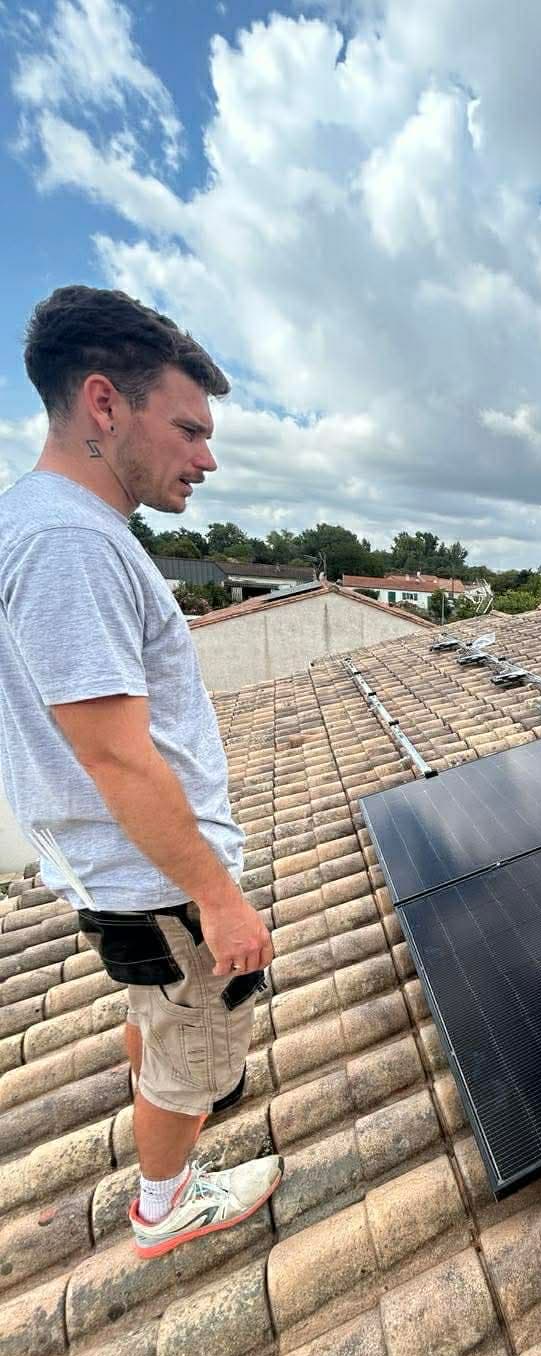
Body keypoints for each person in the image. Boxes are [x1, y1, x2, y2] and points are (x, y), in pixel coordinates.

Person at [0, 286, 282, 1258]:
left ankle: (164, 1162)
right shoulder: (70, 545)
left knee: (156, 1022)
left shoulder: (45, 526)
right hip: (158, 886)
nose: (207, 458)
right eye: (190, 430)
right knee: (192, 1050)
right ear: (105, 404)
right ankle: (166, 1204)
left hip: (128, 879)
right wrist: (219, 898)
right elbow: (117, 757)